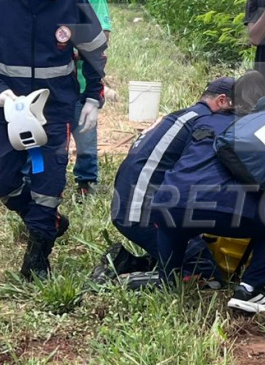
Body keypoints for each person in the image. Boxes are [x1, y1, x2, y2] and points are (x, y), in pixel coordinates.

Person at [0, 0, 108, 281]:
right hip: (8, 110)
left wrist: (92, 97)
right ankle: (49, 221)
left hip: (55, 109)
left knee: (47, 180)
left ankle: (38, 256)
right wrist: (0, 95)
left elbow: (96, 54)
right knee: (1, 181)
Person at [150, 71, 265, 313]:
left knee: (176, 212)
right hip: (221, 209)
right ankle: (249, 289)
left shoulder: (205, 121)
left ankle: (167, 281)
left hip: (167, 204)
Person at [99, 76, 237, 282]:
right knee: (205, 274)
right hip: (140, 211)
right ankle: (118, 280)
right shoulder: (205, 125)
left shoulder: (185, 116)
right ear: (221, 101)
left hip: (135, 202)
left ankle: (131, 263)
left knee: (185, 253)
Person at [69, 0, 111, 196]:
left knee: (85, 132)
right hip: (55, 83)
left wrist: (77, 52)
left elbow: (103, 36)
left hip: (84, 80)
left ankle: (86, 182)